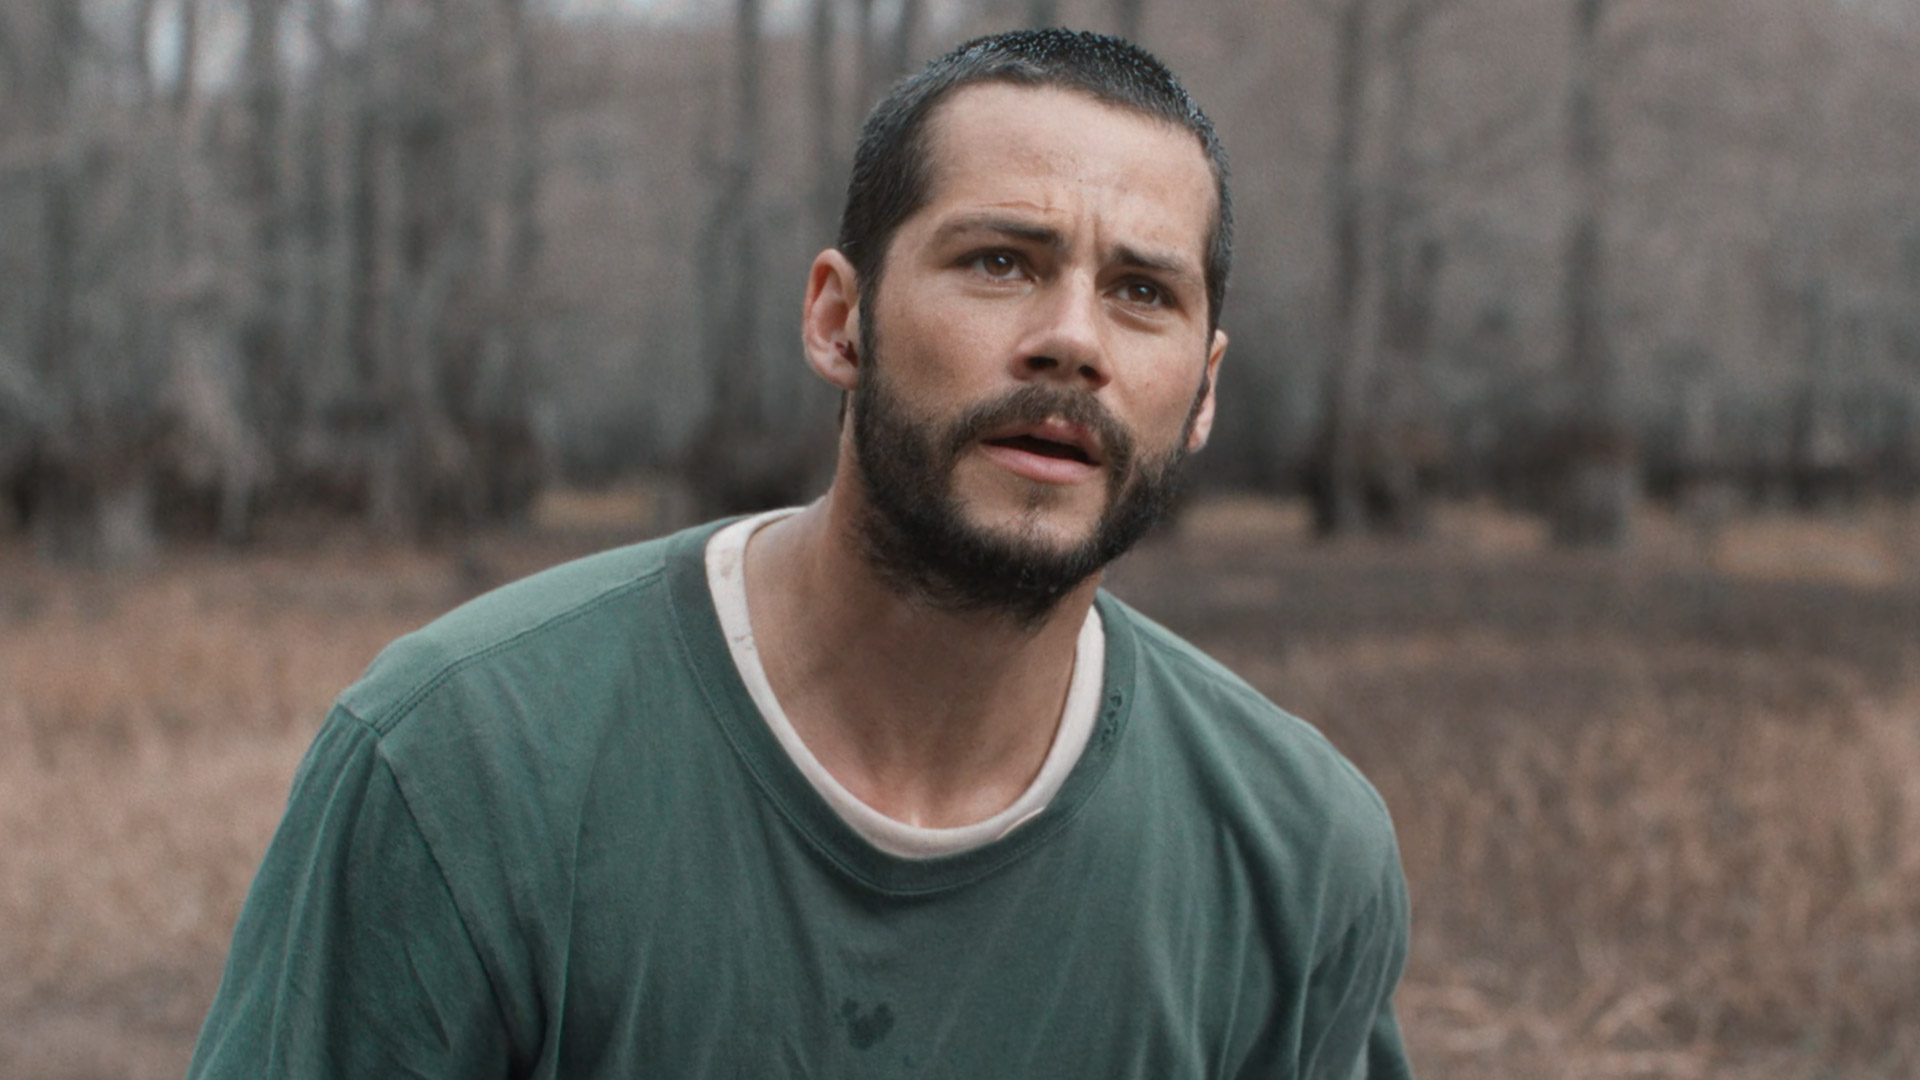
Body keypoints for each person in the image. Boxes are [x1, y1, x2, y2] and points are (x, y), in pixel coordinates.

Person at [188, 28, 1415, 1080]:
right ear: (839, 319)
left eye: (1144, 292)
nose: (1071, 341)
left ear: (1201, 392)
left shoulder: (1296, 860)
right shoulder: (464, 761)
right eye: (1002, 262)